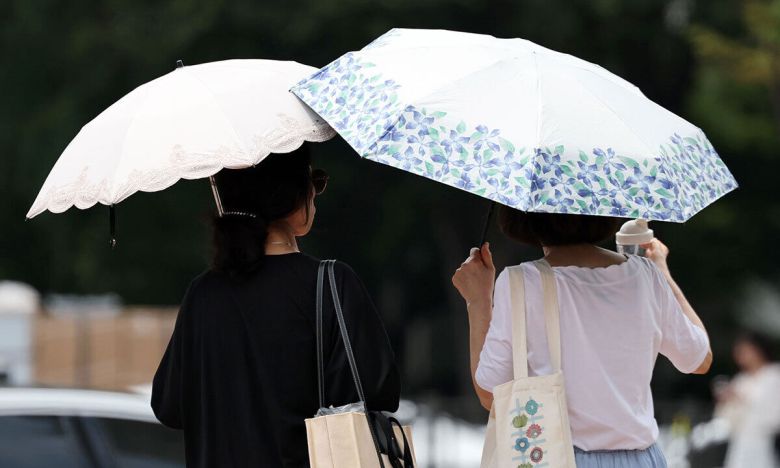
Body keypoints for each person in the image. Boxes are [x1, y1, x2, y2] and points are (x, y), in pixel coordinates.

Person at [151, 145, 400, 468]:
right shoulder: (330, 284)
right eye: (315, 181)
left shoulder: (203, 295)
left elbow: (169, 406)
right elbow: (378, 392)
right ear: (292, 196)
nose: (315, 192)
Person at [451, 210, 712, 467]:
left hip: (558, 458)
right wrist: (662, 273)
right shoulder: (646, 275)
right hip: (642, 459)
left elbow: (490, 394)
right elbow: (699, 360)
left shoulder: (521, 282)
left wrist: (478, 301)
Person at [716, 331, 780, 468]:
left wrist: (743, 400)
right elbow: (726, 420)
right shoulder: (740, 380)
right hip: (739, 445)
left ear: (758, 350)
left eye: (745, 351)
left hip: (765, 445)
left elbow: (775, 417)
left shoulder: (774, 375)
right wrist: (726, 402)